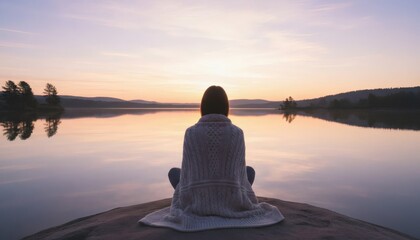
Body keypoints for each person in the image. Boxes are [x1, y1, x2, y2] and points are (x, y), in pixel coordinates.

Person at [139, 86, 284, 231]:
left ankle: (206, 198)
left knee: (174, 173)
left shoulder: (190, 133)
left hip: (197, 201)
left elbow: (187, 175)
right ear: (226, 106)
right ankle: (224, 199)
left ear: (203, 106)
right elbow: (240, 174)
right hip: (231, 199)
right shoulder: (237, 133)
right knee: (249, 172)